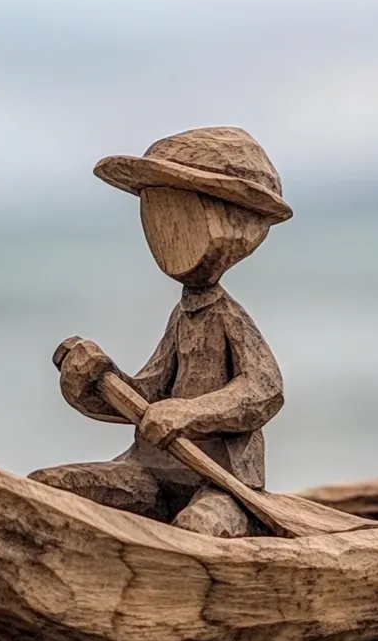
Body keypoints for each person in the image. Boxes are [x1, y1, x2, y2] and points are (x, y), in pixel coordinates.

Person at [29, 126, 293, 538]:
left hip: (221, 482)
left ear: (238, 225)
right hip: (151, 471)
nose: (162, 230)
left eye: (179, 214)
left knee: (198, 528)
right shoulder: (183, 317)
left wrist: (189, 413)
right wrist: (91, 384)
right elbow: (148, 399)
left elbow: (264, 390)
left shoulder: (228, 317)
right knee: (48, 489)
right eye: (155, 214)